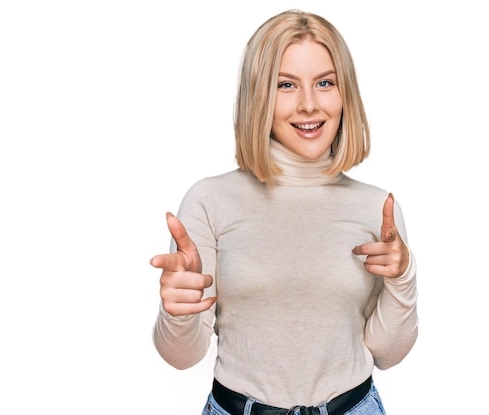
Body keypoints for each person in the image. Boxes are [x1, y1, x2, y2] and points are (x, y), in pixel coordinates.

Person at [150, 9, 418, 415]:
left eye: (325, 83)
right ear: (258, 95)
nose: (309, 105)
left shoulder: (376, 208)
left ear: (345, 93)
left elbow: (388, 353)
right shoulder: (209, 200)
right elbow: (183, 356)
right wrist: (177, 311)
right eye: (286, 85)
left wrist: (403, 278)